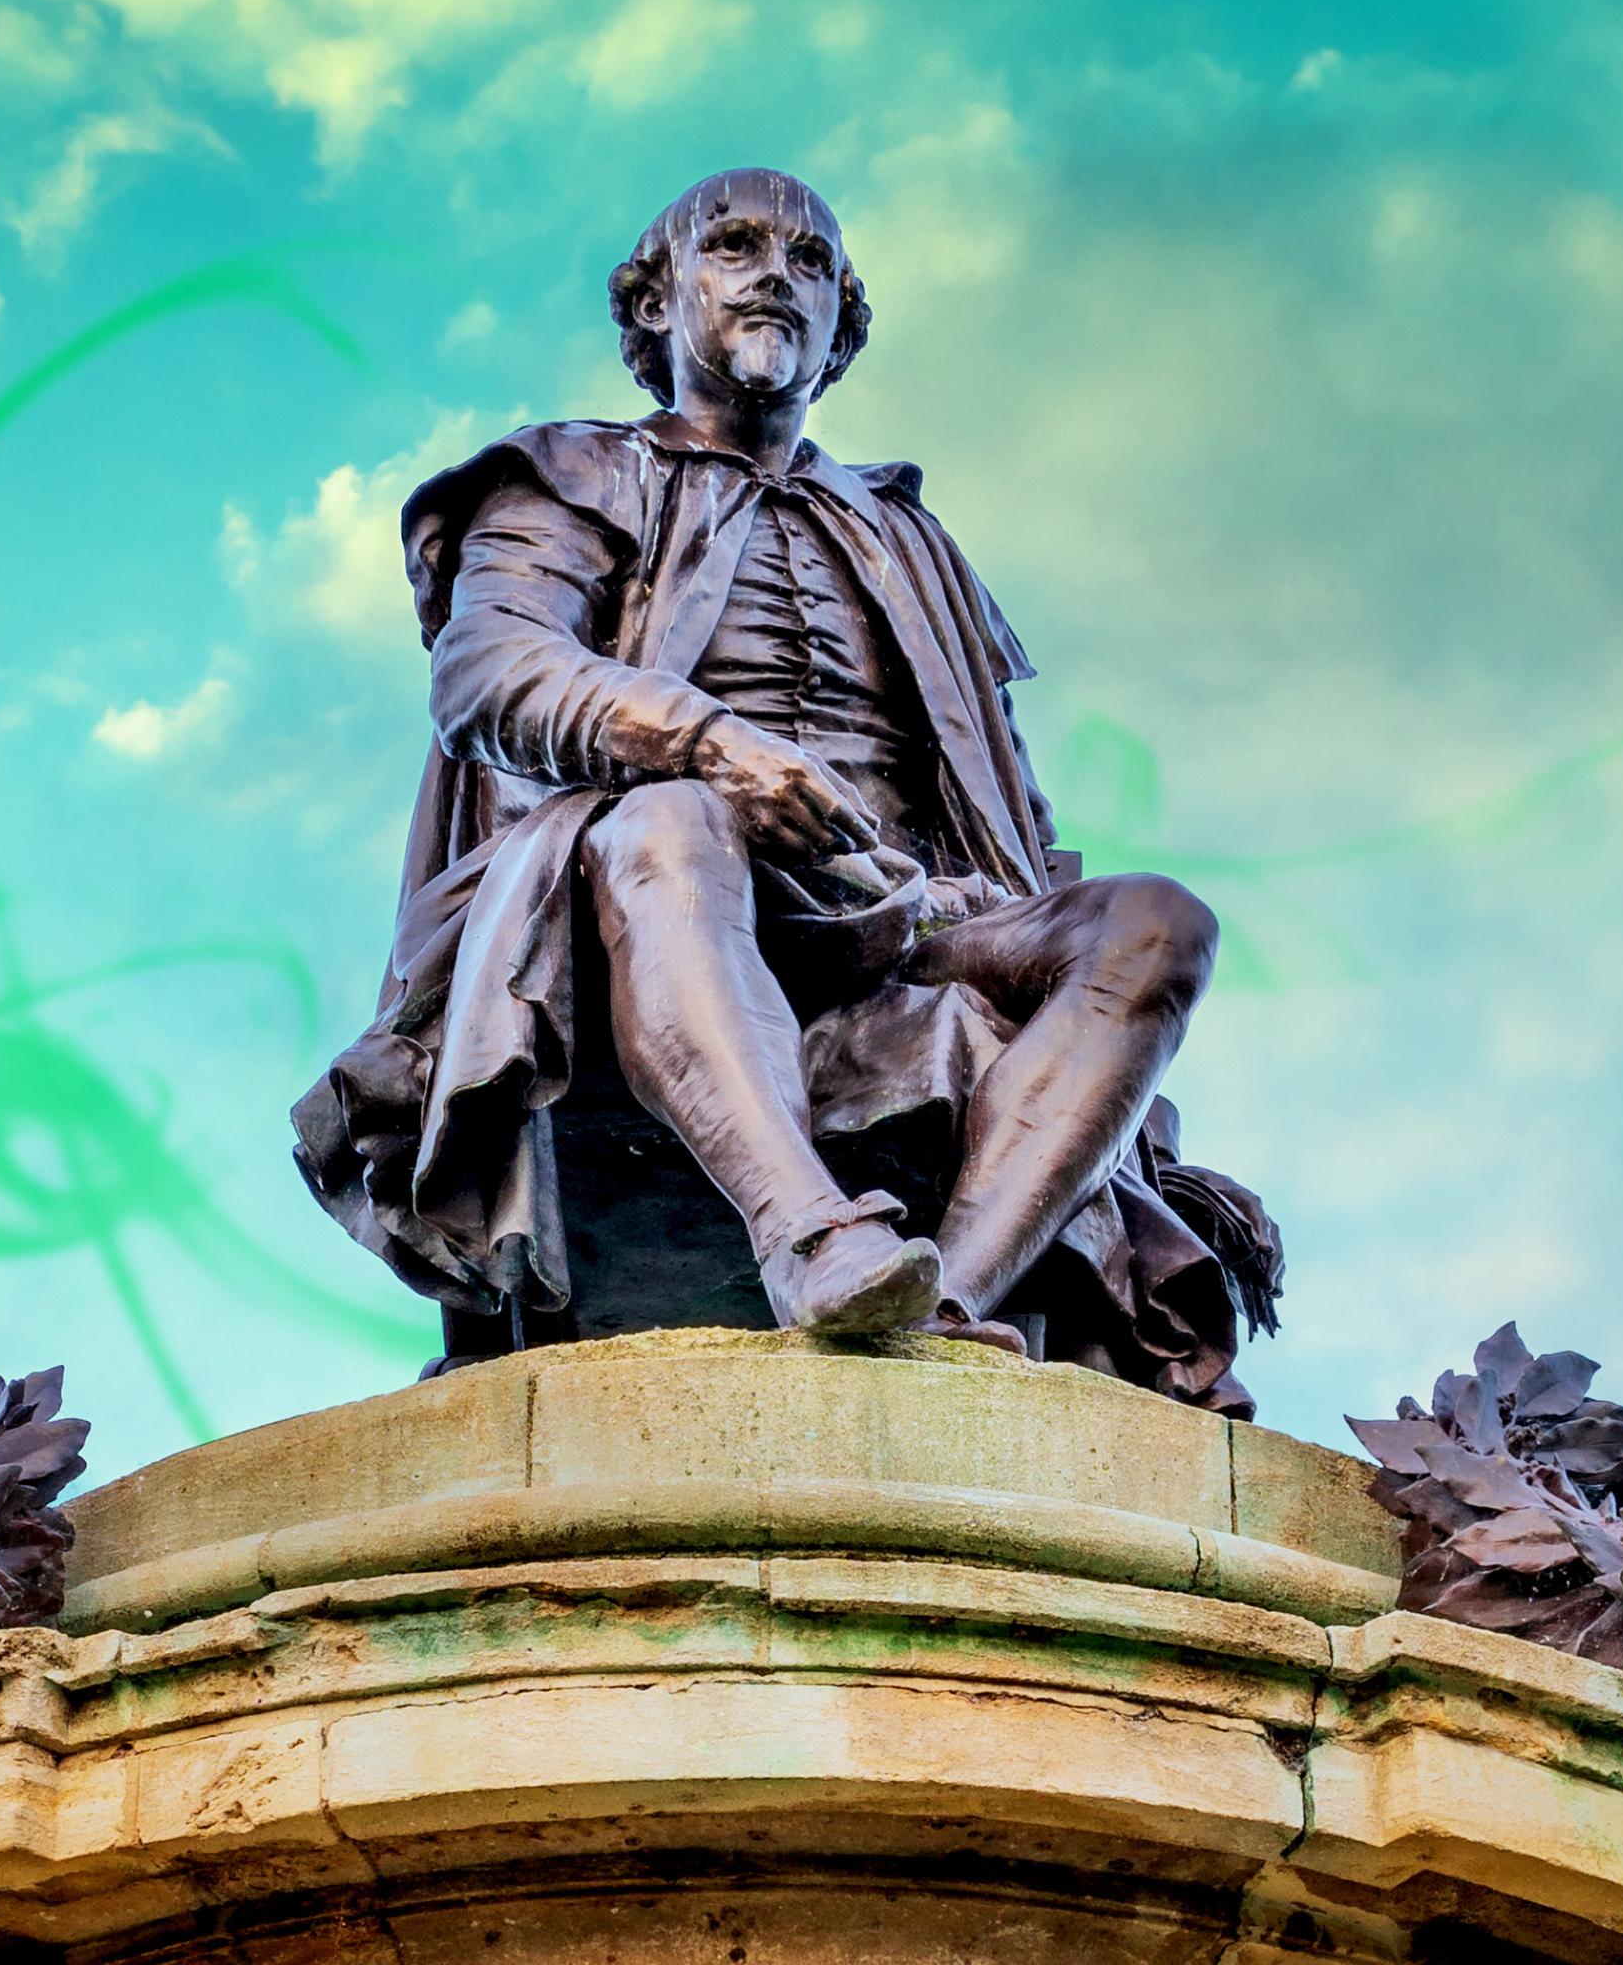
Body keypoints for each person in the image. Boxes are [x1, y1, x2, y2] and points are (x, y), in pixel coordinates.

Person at [290, 168, 1279, 1409]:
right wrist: (709, 742)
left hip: (897, 922)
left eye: (811, 262)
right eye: (736, 245)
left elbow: (1004, 800)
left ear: (842, 324)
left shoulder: (908, 536)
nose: (776, 274)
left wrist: (967, 893)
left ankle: (944, 1300)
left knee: (1157, 921)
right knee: (674, 816)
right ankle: (810, 1231)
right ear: (656, 304)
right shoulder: (567, 474)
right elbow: (492, 671)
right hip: (645, 885)